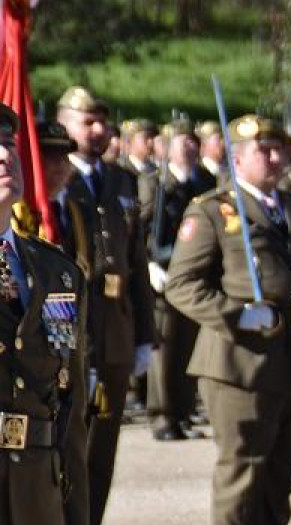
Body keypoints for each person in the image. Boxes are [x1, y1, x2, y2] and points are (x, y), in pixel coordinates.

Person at [165, 114, 291, 524]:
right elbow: (182, 285)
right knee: (244, 475)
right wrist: (238, 316)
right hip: (241, 363)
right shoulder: (212, 211)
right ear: (237, 159)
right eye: (264, 150)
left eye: (280, 148)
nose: (276, 158)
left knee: (280, 477)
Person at [57, 85, 157, 525]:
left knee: (102, 452)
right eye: (87, 122)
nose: (99, 130)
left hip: (115, 333)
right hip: (69, 334)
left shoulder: (121, 180)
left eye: (103, 121)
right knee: (65, 451)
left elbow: (136, 261)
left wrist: (145, 337)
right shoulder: (54, 179)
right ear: (64, 125)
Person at [0, 104, 90, 525]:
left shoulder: (58, 271)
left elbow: (71, 409)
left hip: (38, 488)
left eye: (6, 144)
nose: (5, 156)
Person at [139, 119, 217, 441]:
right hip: (164, 271)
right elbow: (139, 228)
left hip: (195, 273)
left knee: (188, 343)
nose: (188, 147)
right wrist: (148, 264)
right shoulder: (154, 182)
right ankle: (162, 414)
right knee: (166, 346)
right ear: (166, 148)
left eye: (191, 141)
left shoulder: (205, 181)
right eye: (181, 141)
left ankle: (183, 411)